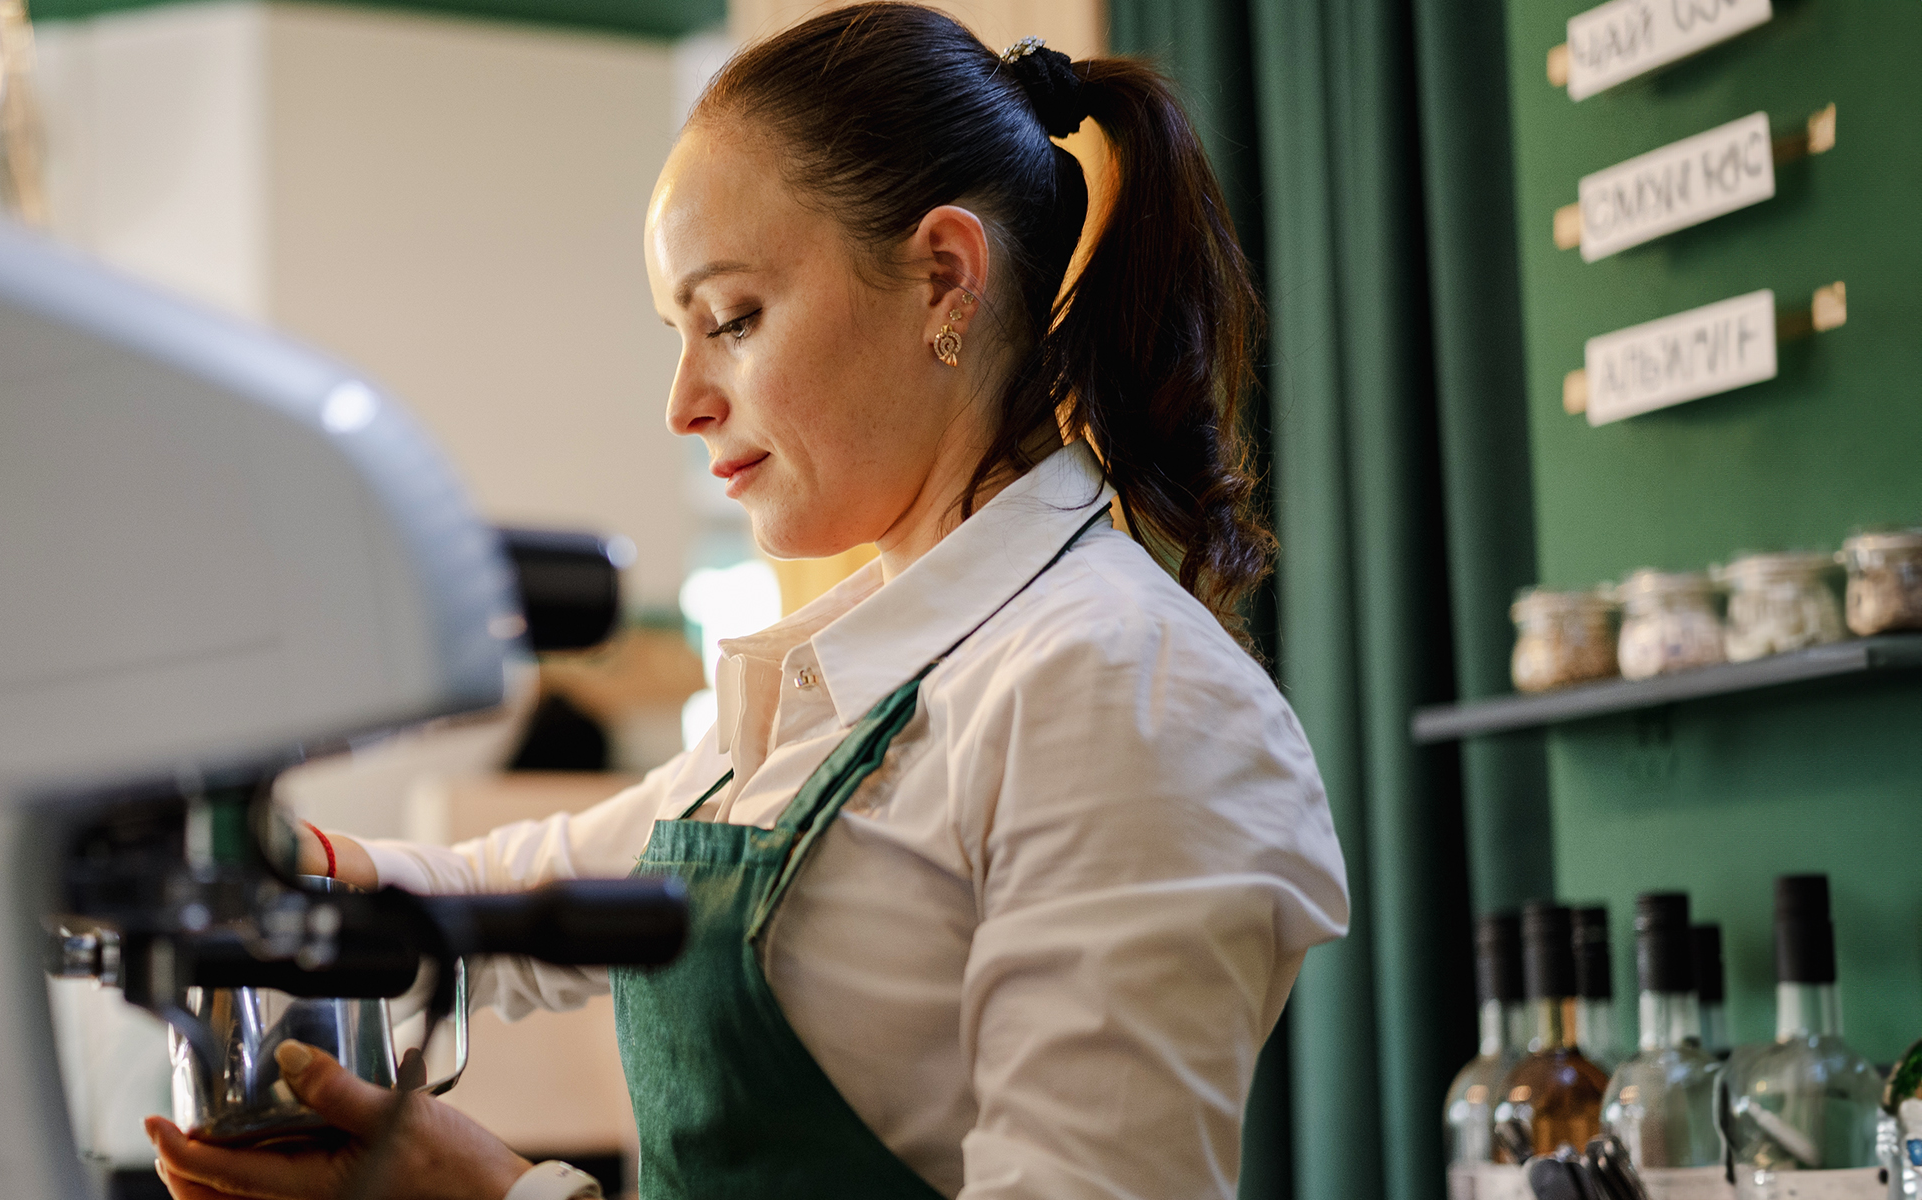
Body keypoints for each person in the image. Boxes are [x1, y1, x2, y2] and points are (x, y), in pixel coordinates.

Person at [146, 5, 1348, 1198]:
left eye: (731, 319)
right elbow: (514, 892)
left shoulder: (1121, 694)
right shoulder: (839, 685)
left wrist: (499, 1195)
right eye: (680, 332)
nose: (683, 402)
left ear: (943, 276)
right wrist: (248, 856)